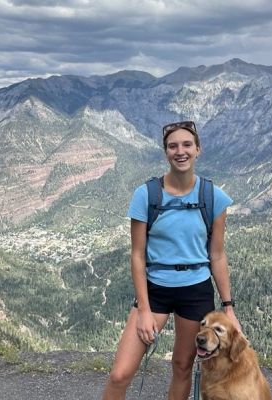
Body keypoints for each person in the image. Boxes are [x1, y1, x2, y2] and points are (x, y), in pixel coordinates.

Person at [102, 121, 241, 400]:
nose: (181, 151)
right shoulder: (147, 195)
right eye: (173, 146)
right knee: (120, 374)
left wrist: (228, 307)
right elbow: (138, 255)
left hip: (196, 289)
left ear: (198, 150)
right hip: (156, 290)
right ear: (166, 152)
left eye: (187, 145)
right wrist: (143, 309)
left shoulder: (213, 197)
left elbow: (217, 255)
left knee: (182, 366)